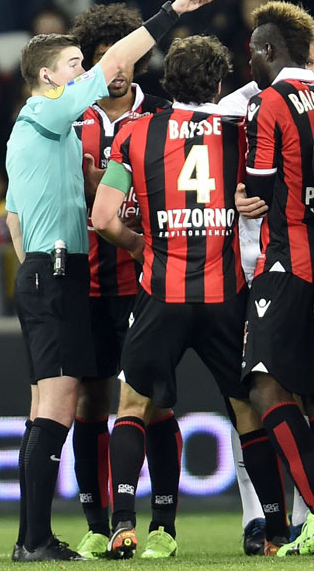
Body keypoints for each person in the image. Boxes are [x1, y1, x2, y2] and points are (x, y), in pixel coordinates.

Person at [4, 0, 216, 562]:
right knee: (60, 406)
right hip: (60, 273)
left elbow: (14, 216)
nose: (85, 72)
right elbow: (118, 58)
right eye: (75, 63)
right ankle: (36, 539)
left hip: (47, 272)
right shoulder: (50, 113)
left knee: (47, 407)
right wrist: (174, 7)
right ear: (49, 76)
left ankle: (33, 537)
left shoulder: (45, 133)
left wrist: (39, 267)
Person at [91, 34, 288, 560]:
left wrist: (138, 244)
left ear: (165, 83)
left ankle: (124, 524)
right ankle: (274, 530)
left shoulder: (135, 132)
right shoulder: (241, 133)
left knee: (133, 405)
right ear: (220, 84)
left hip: (162, 292)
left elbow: (103, 218)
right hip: (226, 295)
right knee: (248, 411)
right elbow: (267, 194)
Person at [239, 0, 314, 556]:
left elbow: (258, 185)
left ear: (267, 52)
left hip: (286, 262)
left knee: (262, 382)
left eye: (252, 50)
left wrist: (241, 193)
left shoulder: (271, 100)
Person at [67, 2, 173, 560]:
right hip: (87, 281)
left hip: (148, 280)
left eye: (129, 53)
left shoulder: (163, 113)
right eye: (109, 55)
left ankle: (164, 525)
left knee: (153, 401)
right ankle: (95, 519)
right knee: (90, 401)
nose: (120, 66)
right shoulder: (69, 115)